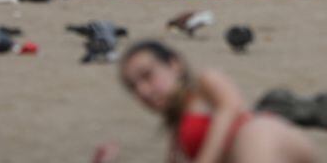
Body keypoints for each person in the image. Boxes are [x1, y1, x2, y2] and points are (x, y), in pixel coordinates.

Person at [106, 40, 315, 163]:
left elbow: (231, 108)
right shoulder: (176, 127)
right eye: (132, 87)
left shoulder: (204, 83)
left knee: (252, 131)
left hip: (266, 136)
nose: (143, 91)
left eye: (148, 75)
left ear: (174, 64)